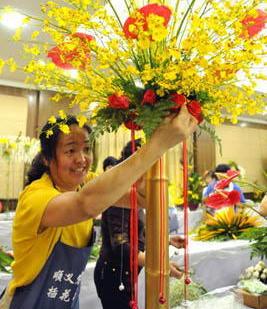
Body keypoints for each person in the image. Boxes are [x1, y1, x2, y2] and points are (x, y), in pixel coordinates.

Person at [0, 105, 197, 308]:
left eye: (86, 149)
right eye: (70, 151)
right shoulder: (36, 196)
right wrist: (157, 145)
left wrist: (151, 167)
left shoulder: (84, 184)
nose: (81, 159)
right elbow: (86, 205)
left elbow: (139, 199)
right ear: (47, 158)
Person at [94, 138, 185, 309]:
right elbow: (121, 245)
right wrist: (159, 265)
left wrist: (167, 240)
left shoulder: (137, 191)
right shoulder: (120, 191)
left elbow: (136, 233)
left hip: (126, 273)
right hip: (114, 275)